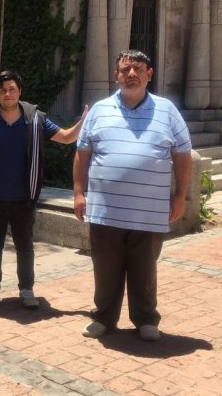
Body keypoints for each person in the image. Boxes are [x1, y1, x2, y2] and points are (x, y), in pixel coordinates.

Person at [0, 71, 87, 310]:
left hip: (23, 196)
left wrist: (84, 120)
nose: (7, 93)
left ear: (20, 91)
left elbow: (66, 137)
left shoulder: (36, 119)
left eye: (11, 89)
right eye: (2, 90)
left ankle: (27, 289)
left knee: (25, 246)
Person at [73, 50, 192, 341]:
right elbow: (82, 153)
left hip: (148, 211)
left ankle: (146, 319)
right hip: (105, 210)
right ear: (116, 76)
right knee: (105, 268)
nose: (131, 74)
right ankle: (103, 317)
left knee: (144, 268)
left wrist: (180, 197)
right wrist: (78, 192)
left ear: (149, 74)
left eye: (137, 69)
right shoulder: (99, 111)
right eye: (125, 69)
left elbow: (183, 154)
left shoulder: (167, 111)